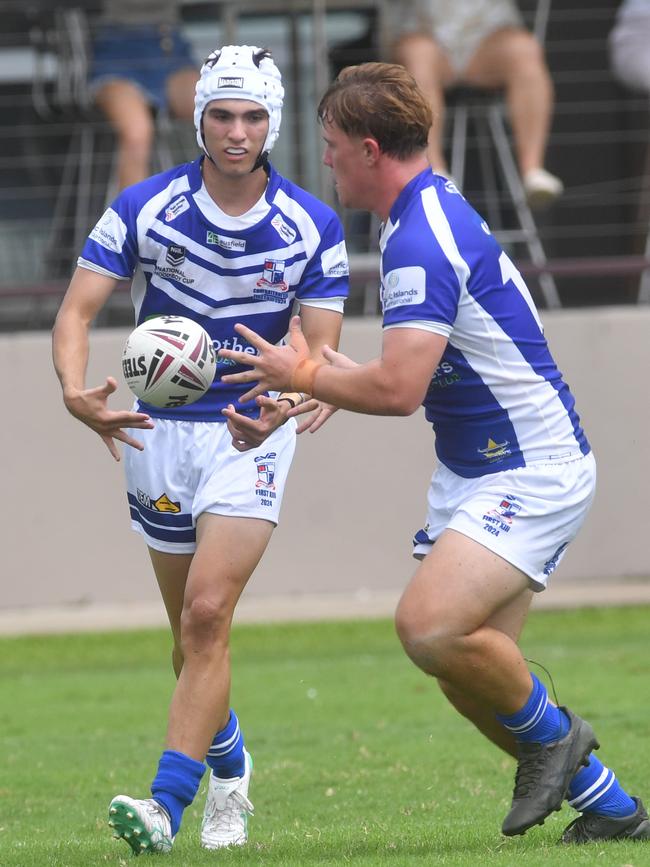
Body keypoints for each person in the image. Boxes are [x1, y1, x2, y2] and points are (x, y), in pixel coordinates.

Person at [216, 62, 650, 845]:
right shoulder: (418, 211)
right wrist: (300, 392)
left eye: (334, 146)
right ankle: (615, 810)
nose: (328, 161)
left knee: (429, 626)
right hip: (480, 466)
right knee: (466, 673)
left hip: (531, 465)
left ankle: (556, 739)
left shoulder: (417, 238)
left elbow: (400, 390)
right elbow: (390, 373)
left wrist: (305, 369)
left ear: (372, 150)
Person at [52, 45, 348, 855]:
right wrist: (75, 389)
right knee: (188, 637)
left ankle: (165, 804)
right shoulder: (144, 207)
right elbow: (76, 313)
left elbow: (318, 347)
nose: (237, 131)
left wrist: (287, 404)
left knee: (210, 613)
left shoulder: (311, 226)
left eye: (253, 116)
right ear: (199, 119)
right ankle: (231, 765)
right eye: (223, 114)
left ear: (273, 124)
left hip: (248, 431)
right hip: (157, 431)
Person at [391, 0, 563, 209]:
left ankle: (532, 170)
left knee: (525, 50)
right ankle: (434, 173)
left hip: (489, 34)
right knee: (418, 56)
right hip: (422, 31)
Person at [88, 0, 200, 190]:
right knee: (137, 132)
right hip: (115, 53)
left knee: (222, 109)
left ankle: (235, 212)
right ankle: (133, 218)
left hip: (168, 45)